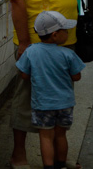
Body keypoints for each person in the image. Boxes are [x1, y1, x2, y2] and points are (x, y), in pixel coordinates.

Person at [3, 0, 90, 169]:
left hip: (65, 37)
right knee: (27, 98)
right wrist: (24, 44)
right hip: (37, 43)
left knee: (57, 99)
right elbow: (17, 1)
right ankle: (19, 154)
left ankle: (56, 160)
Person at [16, 11, 85, 169]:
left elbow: (24, 75)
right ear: (55, 35)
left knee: (46, 137)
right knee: (61, 135)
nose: (67, 33)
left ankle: (48, 166)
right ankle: (61, 164)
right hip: (65, 103)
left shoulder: (31, 51)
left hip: (42, 104)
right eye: (65, 31)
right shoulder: (68, 53)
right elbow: (77, 77)